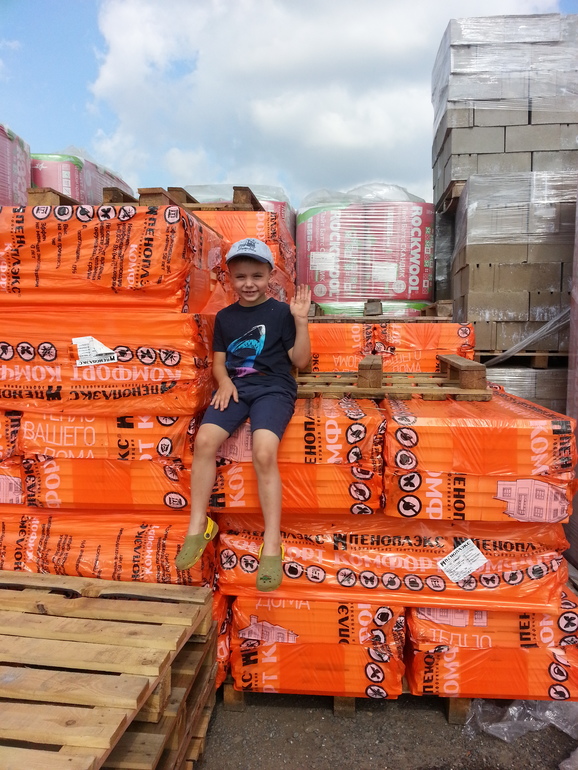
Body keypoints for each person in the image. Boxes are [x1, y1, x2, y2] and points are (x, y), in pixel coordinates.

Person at [175, 237, 311, 591]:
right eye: (240, 277)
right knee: (205, 441)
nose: (248, 284)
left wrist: (300, 322)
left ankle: (272, 542)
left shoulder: (281, 313)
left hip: (274, 388)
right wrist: (223, 382)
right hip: (236, 388)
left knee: (264, 451)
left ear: (270, 276)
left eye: (256, 276)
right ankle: (198, 525)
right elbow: (220, 363)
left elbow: (300, 362)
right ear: (229, 279)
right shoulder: (225, 318)